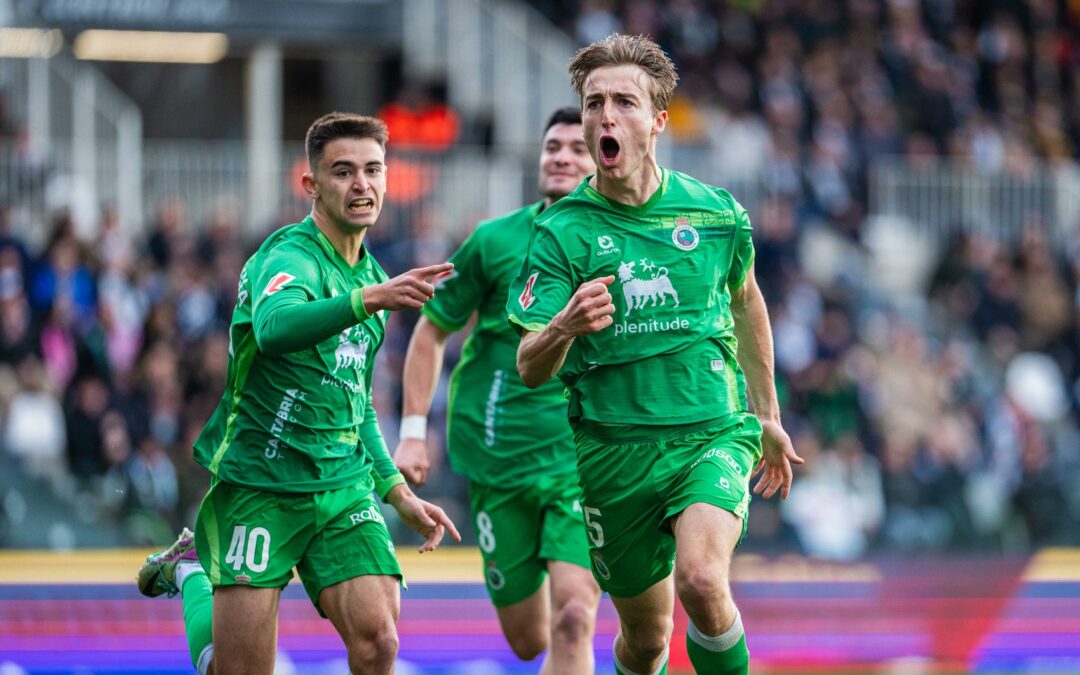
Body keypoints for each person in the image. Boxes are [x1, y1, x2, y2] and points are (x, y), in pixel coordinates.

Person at [507, 35, 804, 675]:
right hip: (612, 453)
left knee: (701, 579)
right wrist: (563, 326)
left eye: (623, 102)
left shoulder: (716, 214)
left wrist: (767, 414)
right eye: (593, 104)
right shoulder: (560, 232)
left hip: (710, 435)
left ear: (657, 120)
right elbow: (530, 366)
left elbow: (747, 301)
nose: (605, 116)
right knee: (645, 641)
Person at [136, 112, 461, 675]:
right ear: (311, 185)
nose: (362, 184)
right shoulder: (286, 258)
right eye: (343, 172)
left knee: (380, 640)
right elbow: (275, 329)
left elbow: (353, 403)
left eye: (372, 170)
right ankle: (191, 570)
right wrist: (370, 300)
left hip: (339, 484)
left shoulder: (374, 278)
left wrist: (395, 490)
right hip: (259, 482)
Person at [393, 107, 601, 673]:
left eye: (577, 148)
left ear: (603, 158)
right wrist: (413, 433)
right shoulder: (493, 241)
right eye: (552, 145)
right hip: (496, 458)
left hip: (580, 463)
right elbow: (431, 328)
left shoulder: (620, 245)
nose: (561, 156)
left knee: (575, 617)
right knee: (529, 640)